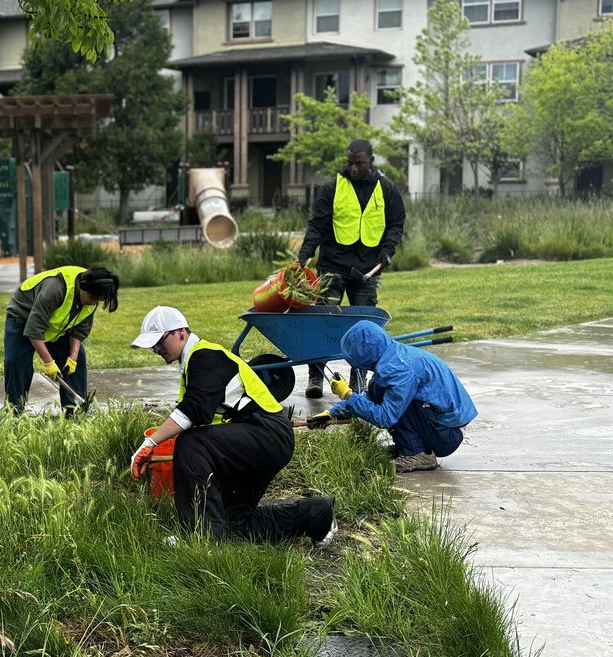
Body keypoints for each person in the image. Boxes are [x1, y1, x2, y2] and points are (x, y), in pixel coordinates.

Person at [129, 306, 336, 545]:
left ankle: (200, 536)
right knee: (236, 522)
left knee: (190, 444)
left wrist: (151, 442)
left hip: (267, 434)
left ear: (181, 332)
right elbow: (200, 418)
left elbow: (192, 411)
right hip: (259, 438)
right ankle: (318, 515)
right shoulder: (193, 364)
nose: (156, 349)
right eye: (152, 346)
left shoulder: (205, 356)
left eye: (159, 341)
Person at [298, 139, 405, 399]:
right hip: (333, 266)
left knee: (365, 328)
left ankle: (359, 379)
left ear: (371, 160)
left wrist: (387, 251)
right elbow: (318, 225)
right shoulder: (333, 188)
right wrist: (304, 254)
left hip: (367, 269)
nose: (354, 168)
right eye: (350, 163)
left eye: (360, 163)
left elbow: (396, 224)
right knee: (324, 322)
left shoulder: (387, 190)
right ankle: (316, 376)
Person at [308, 321, 477, 473]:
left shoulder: (400, 370)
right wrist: (333, 413)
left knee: (393, 404)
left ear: (363, 355)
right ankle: (408, 446)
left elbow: (386, 417)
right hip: (437, 424)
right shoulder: (392, 356)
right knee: (380, 393)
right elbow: (371, 395)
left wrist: (347, 395)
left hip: (445, 434)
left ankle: (418, 453)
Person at [4, 265, 119, 415]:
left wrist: (73, 357)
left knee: (77, 362)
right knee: (17, 364)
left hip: (54, 325)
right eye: (92, 298)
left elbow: (78, 332)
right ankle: (14, 412)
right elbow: (34, 330)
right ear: (81, 288)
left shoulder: (93, 294)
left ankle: (74, 411)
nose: (93, 303)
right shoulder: (55, 289)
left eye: (97, 301)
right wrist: (49, 362)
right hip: (22, 317)